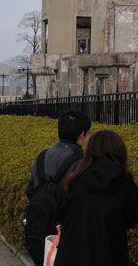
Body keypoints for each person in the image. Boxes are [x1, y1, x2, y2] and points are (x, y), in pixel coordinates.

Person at [54, 130, 138, 266]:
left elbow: (63, 215)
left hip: (71, 256)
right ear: (120, 152)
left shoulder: (75, 182)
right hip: (110, 256)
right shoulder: (127, 187)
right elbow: (131, 220)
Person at [25, 109, 91, 266]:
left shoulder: (42, 156)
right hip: (65, 235)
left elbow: (31, 190)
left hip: (39, 228)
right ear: (81, 135)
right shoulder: (81, 163)